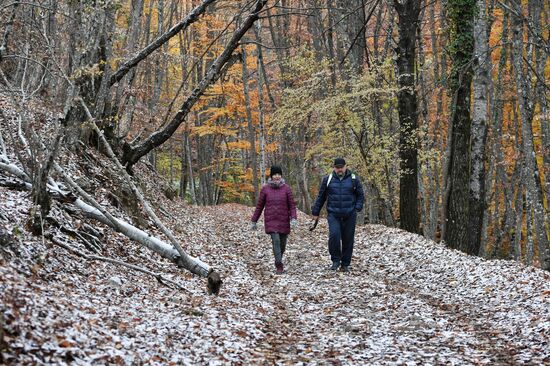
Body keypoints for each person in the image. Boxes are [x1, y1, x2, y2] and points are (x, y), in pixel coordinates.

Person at [311, 158, 365, 272]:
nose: (339, 169)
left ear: (346, 166)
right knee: (334, 236)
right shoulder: (328, 179)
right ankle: (335, 260)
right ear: (334, 168)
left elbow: (360, 195)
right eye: (337, 167)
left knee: (348, 239)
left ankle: (345, 264)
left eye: (341, 167)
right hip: (333, 214)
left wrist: (357, 208)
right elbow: (321, 197)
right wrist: (316, 212)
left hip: (350, 214)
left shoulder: (354, 179)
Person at [250, 165, 298, 274]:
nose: (277, 176)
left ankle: (279, 258)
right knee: (275, 241)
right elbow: (259, 206)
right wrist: (254, 221)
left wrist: (294, 218)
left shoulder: (286, 188)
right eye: (275, 174)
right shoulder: (265, 189)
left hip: (284, 220)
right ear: (271, 176)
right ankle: (279, 264)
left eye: (278, 174)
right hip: (271, 220)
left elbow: (292, 205)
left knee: (282, 244)